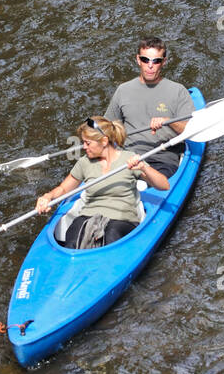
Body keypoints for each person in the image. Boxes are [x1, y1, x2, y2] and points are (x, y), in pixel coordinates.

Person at [35, 116, 169, 249]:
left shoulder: (129, 159)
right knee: (74, 237)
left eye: (88, 143)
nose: (84, 147)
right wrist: (48, 197)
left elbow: (164, 185)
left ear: (104, 141)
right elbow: (63, 189)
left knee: (111, 235)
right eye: (83, 142)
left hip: (121, 219)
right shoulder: (84, 163)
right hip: (88, 216)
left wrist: (144, 167)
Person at [104, 38, 196, 178]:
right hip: (128, 157)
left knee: (148, 182)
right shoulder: (123, 90)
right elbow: (107, 128)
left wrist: (168, 121)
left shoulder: (178, 91)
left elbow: (190, 131)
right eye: (145, 60)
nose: (150, 65)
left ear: (163, 62)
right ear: (138, 60)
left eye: (156, 61)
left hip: (163, 158)